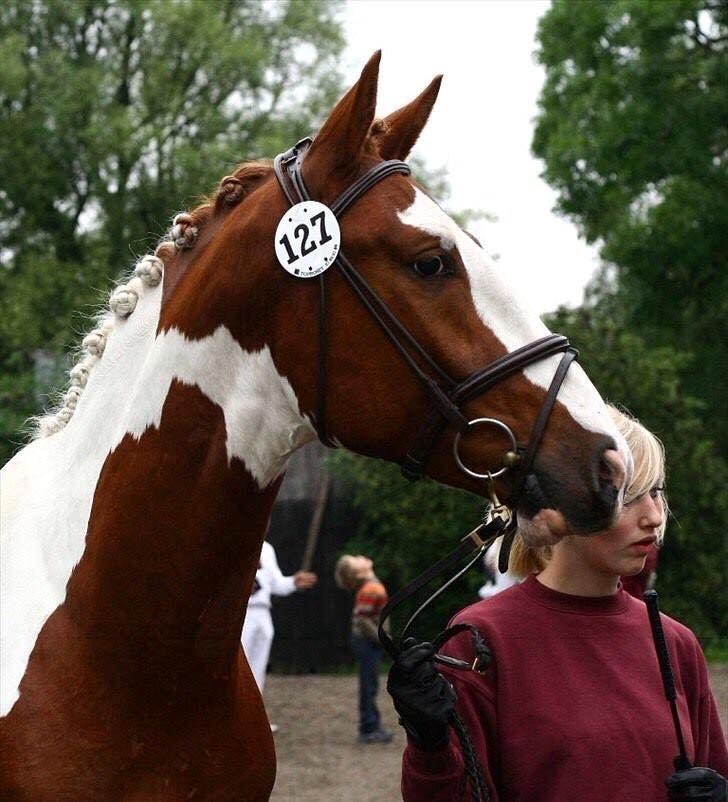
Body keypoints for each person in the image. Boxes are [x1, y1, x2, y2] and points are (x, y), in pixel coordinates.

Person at [388, 406, 728, 801]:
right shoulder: (483, 639)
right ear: (562, 502)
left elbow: (712, 763)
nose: (653, 516)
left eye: (656, 493)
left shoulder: (675, 642)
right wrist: (429, 746)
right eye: (628, 496)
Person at [242, 540, 317, 694]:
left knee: (258, 667)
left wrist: (293, 582)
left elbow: (276, 583)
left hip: (263, 611)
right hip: (241, 612)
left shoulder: (267, 548)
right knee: (241, 665)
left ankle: (255, 706)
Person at [335, 554, 394, 744]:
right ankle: (368, 728)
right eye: (356, 560)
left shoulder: (371, 586)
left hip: (366, 641)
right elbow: (361, 619)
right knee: (369, 685)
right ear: (359, 572)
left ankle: (372, 725)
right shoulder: (371, 589)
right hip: (367, 642)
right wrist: (382, 639)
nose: (360, 557)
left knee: (370, 684)